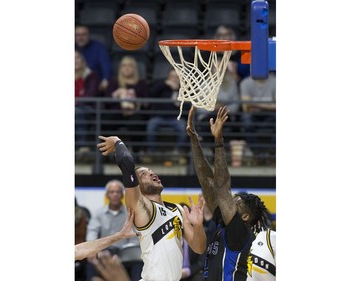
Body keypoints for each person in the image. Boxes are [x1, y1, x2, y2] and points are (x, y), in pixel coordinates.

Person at [96, 135, 207, 281]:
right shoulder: (140, 207)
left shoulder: (178, 209)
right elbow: (127, 164)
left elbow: (199, 248)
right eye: (144, 174)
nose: (151, 173)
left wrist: (198, 226)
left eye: (151, 171)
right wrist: (118, 142)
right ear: (137, 185)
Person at [186, 105, 273, 281]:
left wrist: (218, 141)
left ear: (246, 217)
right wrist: (194, 140)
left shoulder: (239, 232)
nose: (229, 200)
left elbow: (222, 186)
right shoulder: (223, 225)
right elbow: (207, 181)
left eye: (235, 202)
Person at [86, 180, 143, 281]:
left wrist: (129, 251)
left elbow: (135, 236)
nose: (115, 194)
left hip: (125, 252)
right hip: (104, 252)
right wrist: (93, 249)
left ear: (122, 195)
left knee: (138, 262)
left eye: (118, 192)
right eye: (112, 192)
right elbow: (92, 232)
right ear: (107, 195)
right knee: (91, 260)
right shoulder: (98, 213)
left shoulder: (130, 213)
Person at [104, 55, 150, 157]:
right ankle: (106, 155)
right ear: (120, 68)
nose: (127, 68)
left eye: (130, 65)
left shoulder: (141, 83)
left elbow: (147, 103)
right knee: (107, 119)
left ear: (134, 68)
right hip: (117, 112)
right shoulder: (114, 82)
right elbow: (106, 101)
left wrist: (136, 101)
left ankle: (136, 154)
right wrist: (115, 95)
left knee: (137, 122)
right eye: (124, 65)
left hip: (135, 113)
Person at [145, 68, 188, 164]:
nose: (174, 79)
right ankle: (150, 153)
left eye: (177, 77)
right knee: (151, 126)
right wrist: (164, 84)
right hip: (159, 116)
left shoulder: (184, 89)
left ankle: (179, 153)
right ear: (168, 77)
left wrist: (179, 91)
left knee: (183, 127)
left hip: (176, 118)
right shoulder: (161, 84)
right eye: (172, 76)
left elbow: (188, 106)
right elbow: (151, 93)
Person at [239, 71, 276, 152]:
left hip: (270, 115)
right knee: (246, 120)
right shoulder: (245, 83)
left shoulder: (275, 81)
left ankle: (273, 153)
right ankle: (256, 153)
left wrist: (255, 104)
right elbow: (246, 108)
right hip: (253, 116)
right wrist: (269, 105)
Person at [75, 49, 100, 155]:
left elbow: (90, 94)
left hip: (87, 108)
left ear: (82, 60)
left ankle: (82, 146)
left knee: (77, 112)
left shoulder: (91, 75)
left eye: (77, 58)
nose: (74, 61)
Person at [75, 25, 111, 93]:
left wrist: (105, 80)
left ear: (89, 35)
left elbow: (105, 65)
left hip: (93, 84)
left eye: (83, 34)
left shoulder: (99, 47)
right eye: (77, 35)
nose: (80, 37)